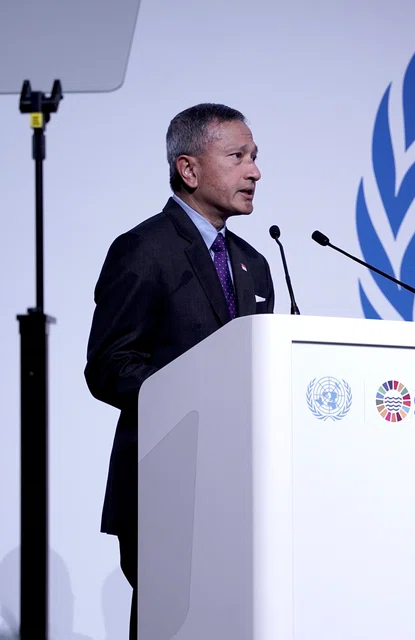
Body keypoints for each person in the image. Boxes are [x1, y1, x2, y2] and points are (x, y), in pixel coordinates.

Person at [84, 103, 275, 639]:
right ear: (187, 169)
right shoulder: (144, 250)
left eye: (255, 157)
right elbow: (109, 366)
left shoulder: (254, 263)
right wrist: (194, 393)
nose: (255, 171)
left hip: (240, 490)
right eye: (237, 156)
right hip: (167, 487)